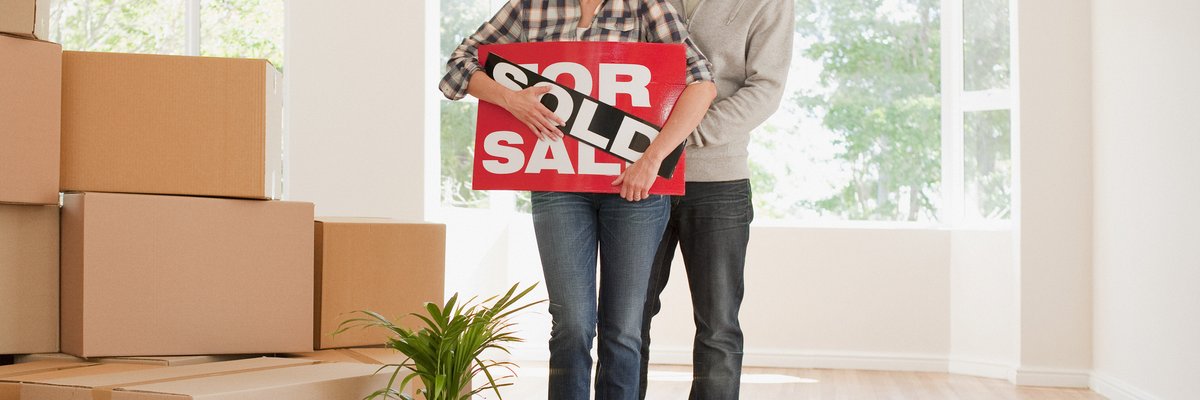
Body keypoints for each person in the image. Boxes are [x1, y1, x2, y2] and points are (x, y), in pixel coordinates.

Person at [439, 1, 717, 399]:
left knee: (623, 329)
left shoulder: (644, 6)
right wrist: (509, 98)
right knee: (571, 323)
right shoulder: (531, 7)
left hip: (634, 190)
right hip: (558, 186)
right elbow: (459, 64)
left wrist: (652, 160)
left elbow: (703, 83)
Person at [637, 0, 794, 399]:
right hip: (639, 178)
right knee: (627, 319)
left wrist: (679, 135)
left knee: (718, 324)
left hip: (718, 182)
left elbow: (766, 89)